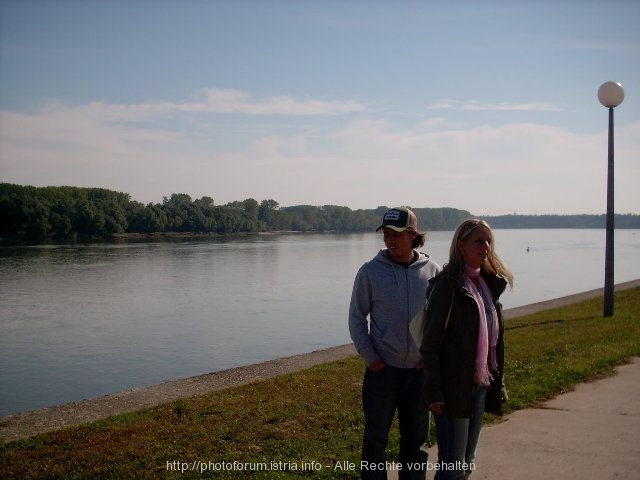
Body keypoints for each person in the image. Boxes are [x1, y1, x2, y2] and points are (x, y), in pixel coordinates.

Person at [349, 207, 441, 480]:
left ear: (413, 235)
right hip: (382, 372)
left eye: (396, 234)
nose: (390, 240)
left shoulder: (433, 271)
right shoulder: (370, 272)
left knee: (416, 442)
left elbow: (438, 321)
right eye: (386, 234)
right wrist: (372, 359)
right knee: (375, 440)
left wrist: (430, 356)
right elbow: (356, 319)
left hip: (418, 373)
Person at [421, 219, 514, 480]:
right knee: (452, 464)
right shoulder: (447, 286)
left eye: (488, 241)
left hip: (479, 386)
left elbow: (494, 342)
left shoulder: (486, 285)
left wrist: (499, 382)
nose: (485, 246)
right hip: (452, 390)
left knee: (467, 462)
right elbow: (430, 344)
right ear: (460, 246)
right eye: (478, 241)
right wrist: (434, 392)